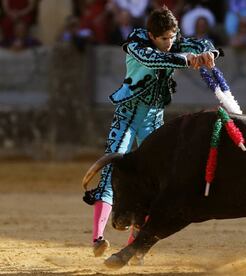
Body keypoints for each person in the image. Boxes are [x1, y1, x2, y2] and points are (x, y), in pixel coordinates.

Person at [84, 6, 219, 258]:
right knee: (112, 168)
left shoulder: (174, 41)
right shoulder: (137, 44)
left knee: (154, 180)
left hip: (153, 118)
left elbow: (202, 43)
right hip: (127, 116)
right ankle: (97, 238)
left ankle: (133, 245)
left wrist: (208, 52)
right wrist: (187, 59)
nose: (169, 43)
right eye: (164, 39)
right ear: (151, 35)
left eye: (172, 37)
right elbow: (153, 59)